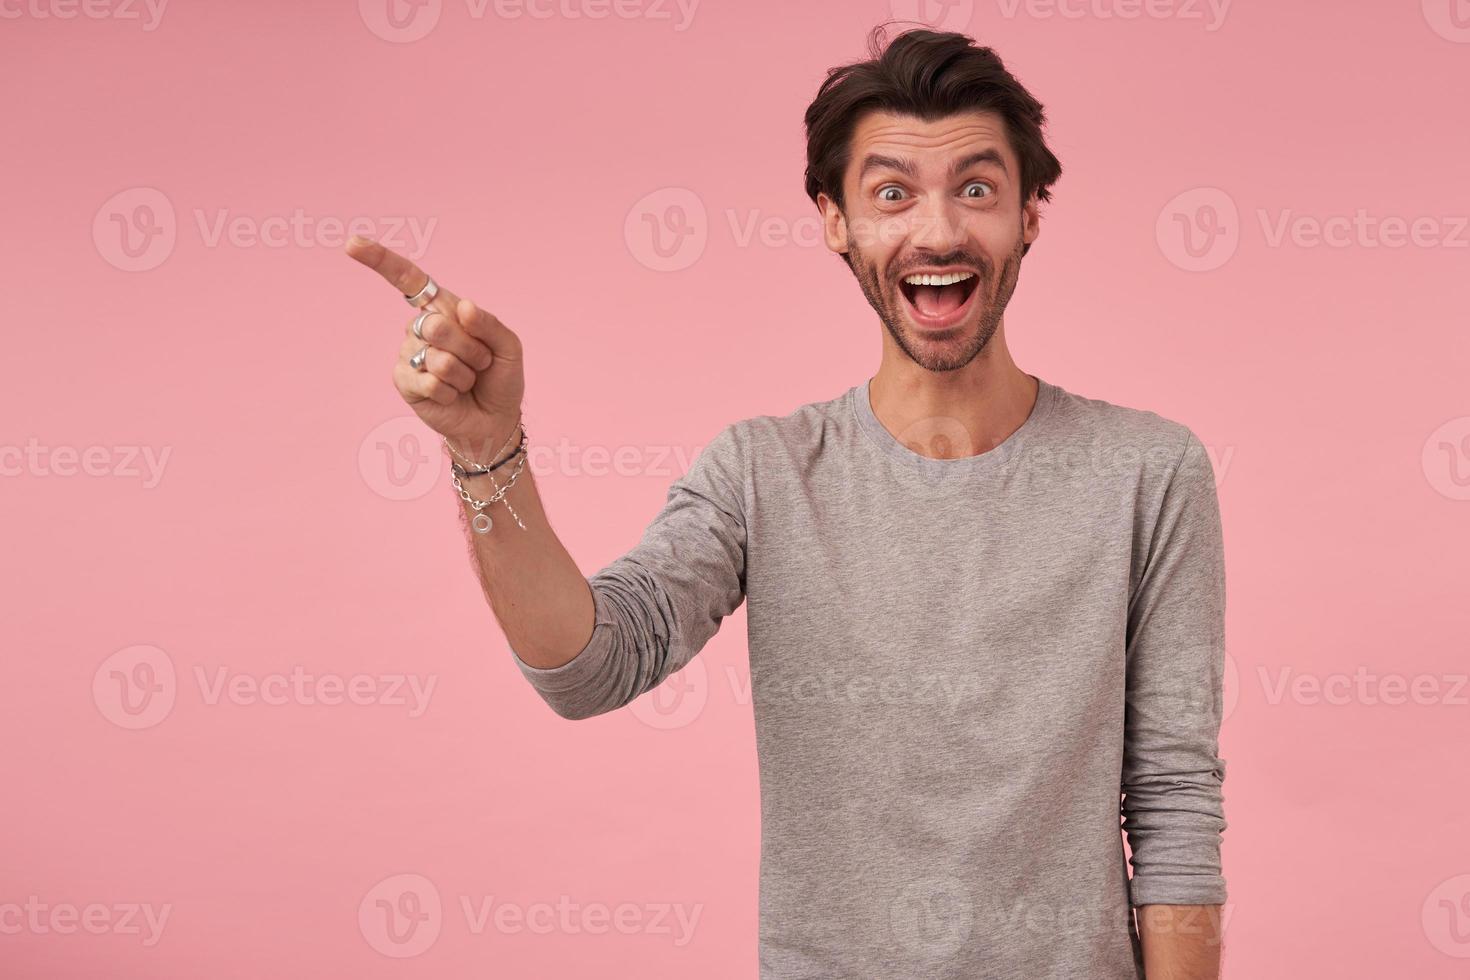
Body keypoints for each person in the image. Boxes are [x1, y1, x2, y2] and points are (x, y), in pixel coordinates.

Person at [345, 24, 1229, 980]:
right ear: (833, 220)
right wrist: (487, 452)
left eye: (977, 188)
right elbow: (589, 667)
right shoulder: (763, 475)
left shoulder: (1147, 471)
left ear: (1029, 216)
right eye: (892, 193)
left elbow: (1173, 794)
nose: (938, 232)